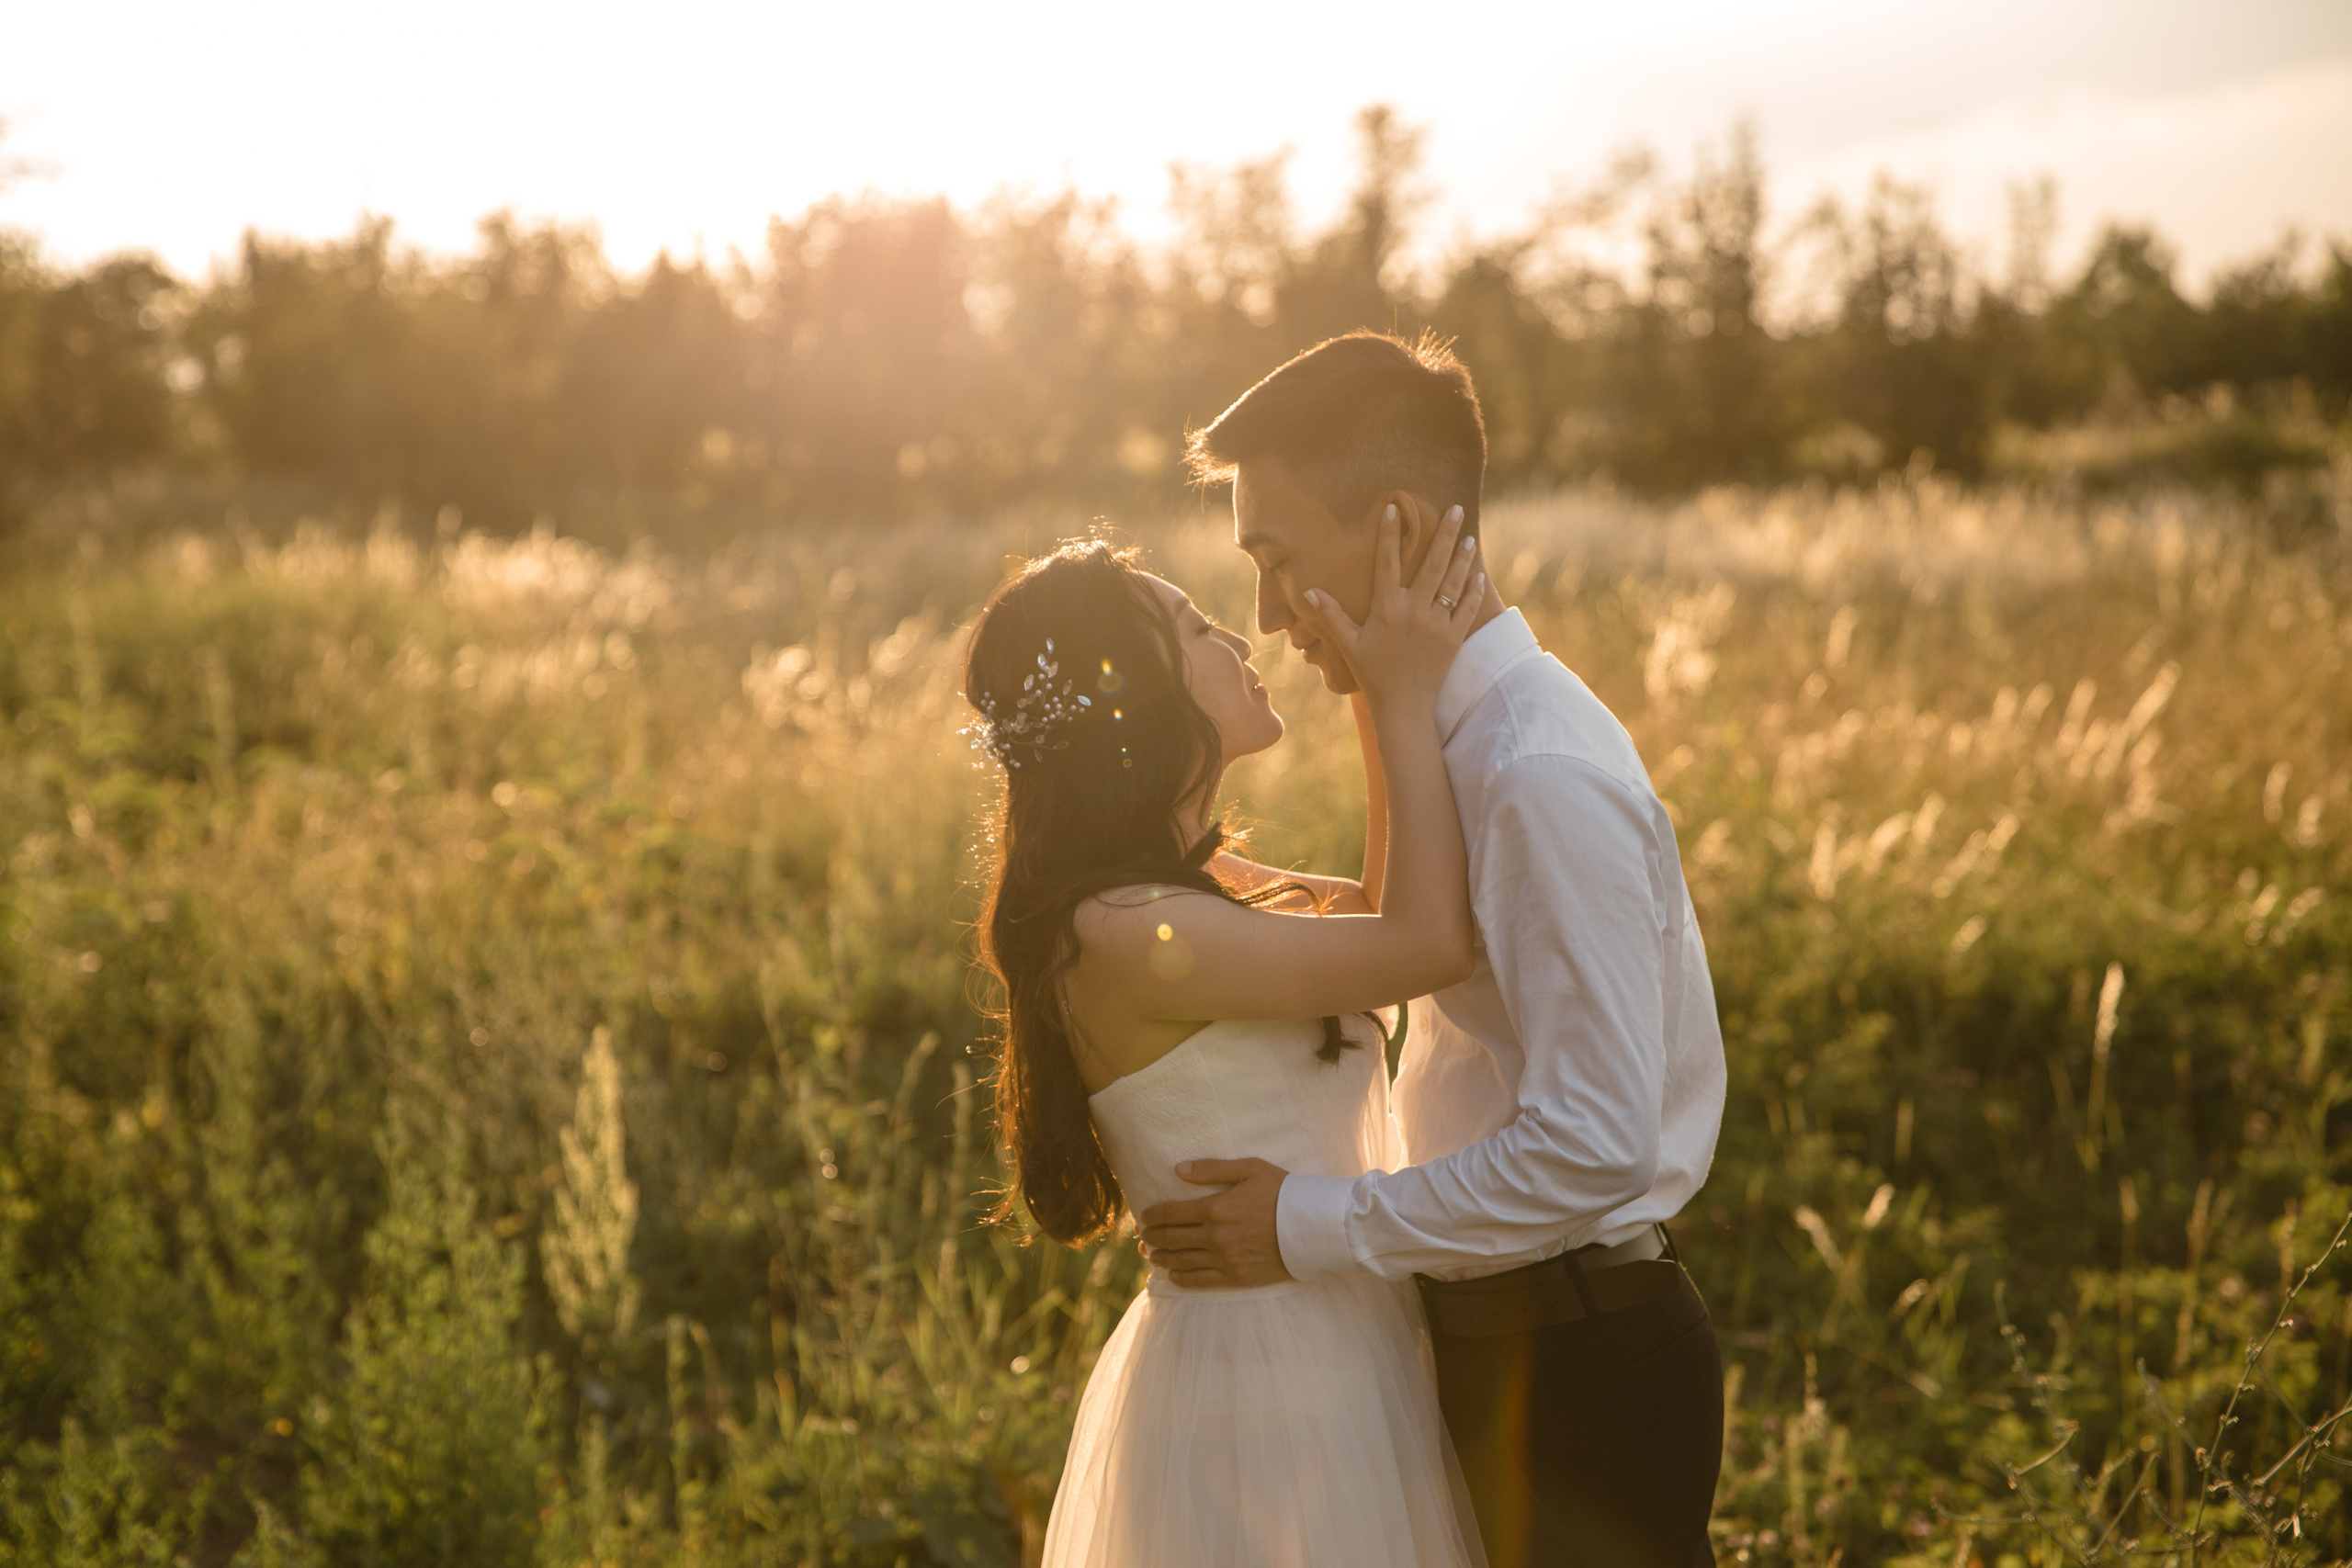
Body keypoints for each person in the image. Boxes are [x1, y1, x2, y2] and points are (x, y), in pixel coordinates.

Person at [1137, 331, 1729, 1567]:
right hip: (1494, 1339)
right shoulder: (1456, 736)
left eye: (1277, 558)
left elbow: (1594, 1141)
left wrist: (1305, 1222)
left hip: (1578, 1372)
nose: (1264, 613)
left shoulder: (1537, 771)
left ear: (1398, 529)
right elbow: (1430, 944)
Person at [963, 523, 1490, 1565]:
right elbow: (1427, 942)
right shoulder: (1122, 930)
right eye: (1198, 626)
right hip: (1263, 1386)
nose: (1241, 641)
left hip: (1340, 1339)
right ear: (1136, 697)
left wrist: (1359, 683)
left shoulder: (1204, 898)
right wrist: (1395, 695)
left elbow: (1384, 916)